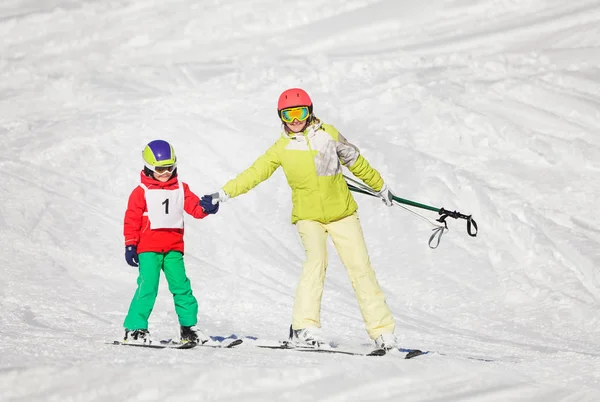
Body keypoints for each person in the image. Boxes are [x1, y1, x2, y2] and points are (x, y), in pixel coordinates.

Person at [206, 88, 399, 350]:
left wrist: (380, 186)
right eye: (288, 114)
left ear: (310, 112)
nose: (295, 119)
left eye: (301, 112)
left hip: (343, 213)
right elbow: (254, 173)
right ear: (281, 117)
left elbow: (356, 161)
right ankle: (304, 327)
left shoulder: (329, 134)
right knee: (316, 262)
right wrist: (224, 193)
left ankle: (382, 332)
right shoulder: (281, 148)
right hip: (308, 217)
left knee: (361, 268)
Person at [122, 139, 219, 345]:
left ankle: (188, 328)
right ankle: (135, 328)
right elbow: (131, 219)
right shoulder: (141, 192)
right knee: (148, 286)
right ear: (149, 168)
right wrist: (130, 244)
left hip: (173, 249)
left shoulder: (181, 189)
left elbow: (195, 208)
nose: (165, 172)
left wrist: (207, 207)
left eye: (169, 167)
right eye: (159, 169)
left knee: (182, 287)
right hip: (148, 249)